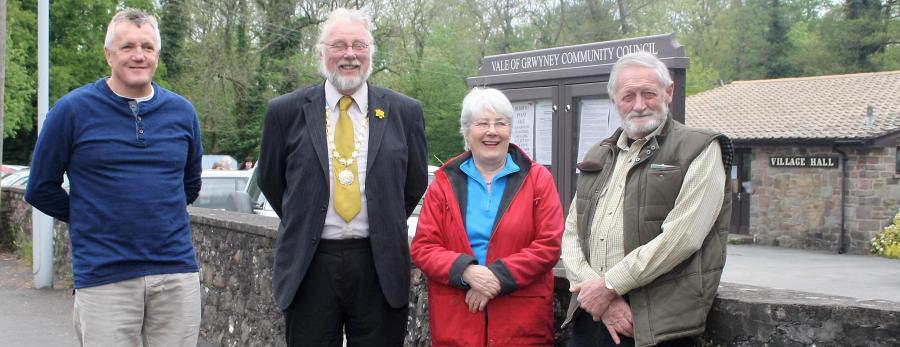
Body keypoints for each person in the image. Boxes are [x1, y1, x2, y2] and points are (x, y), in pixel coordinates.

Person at [24, 8, 203, 346]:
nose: (139, 55)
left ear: (157, 54)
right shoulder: (72, 110)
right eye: (128, 47)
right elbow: (40, 187)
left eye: (147, 47)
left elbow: (189, 185)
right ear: (108, 54)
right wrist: (91, 216)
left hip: (175, 272)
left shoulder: (182, 112)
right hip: (105, 277)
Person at [256, 8, 428, 346]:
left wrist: (380, 219)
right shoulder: (285, 112)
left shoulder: (404, 112)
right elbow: (271, 181)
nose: (350, 54)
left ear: (371, 53)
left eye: (359, 45)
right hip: (311, 264)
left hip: (379, 265)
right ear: (321, 52)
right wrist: (307, 216)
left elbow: (414, 183)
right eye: (339, 45)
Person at [560, 51, 732, 347]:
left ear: (668, 92)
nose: (639, 105)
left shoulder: (699, 148)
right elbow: (572, 232)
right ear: (614, 100)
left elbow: (683, 237)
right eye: (628, 96)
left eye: (648, 93)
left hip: (657, 325)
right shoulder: (598, 155)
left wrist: (610, 285)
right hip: (591, 315)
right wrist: (598, 294)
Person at [410, 88, 564, 346]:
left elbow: (548, 245)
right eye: (482, 123)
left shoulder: (538, 179)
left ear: (510, 130)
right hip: (458, 321)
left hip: (521, 321)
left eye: (500, 123)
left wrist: (495, 277)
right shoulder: (444, 183)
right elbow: (424, 247)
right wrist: (467, 272)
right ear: (467, 131)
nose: (492, 131)